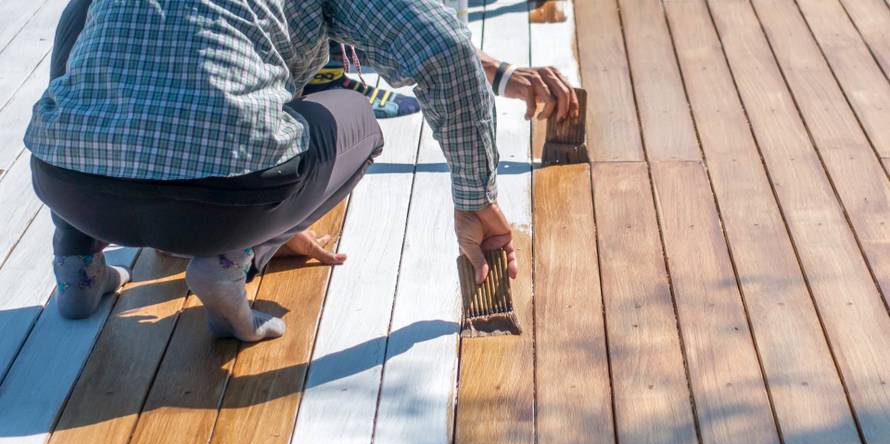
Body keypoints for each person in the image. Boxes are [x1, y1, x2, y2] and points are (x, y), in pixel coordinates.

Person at [26, 0, 577, 342]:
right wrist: (475, 196)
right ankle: (226, 262)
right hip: (225, 206)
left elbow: (71, 37)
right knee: (357, 116)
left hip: (68, 185)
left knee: (85, 105)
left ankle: (77, 269)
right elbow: (443, 49)